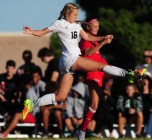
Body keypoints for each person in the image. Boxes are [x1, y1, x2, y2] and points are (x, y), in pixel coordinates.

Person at [22, 3, 137, 140]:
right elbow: (42, 32)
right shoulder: (59, 23)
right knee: (100, 66)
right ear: (67, 14)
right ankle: (129, 74)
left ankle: (31, 104)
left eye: (77, 15)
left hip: (66, 64)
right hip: (70, 59)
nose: (76, 17)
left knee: (60, 97)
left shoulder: (76, 25)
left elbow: (88, 37)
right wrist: (31, 32)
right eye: (74, 15)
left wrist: (103, 38)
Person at [78, 17, 113, 137]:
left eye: (98, 27)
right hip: (92, 73)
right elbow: (88, 54)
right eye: (95, 27)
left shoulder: (95, 41)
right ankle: (82, 131)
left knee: (95, 106)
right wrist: (103, 42)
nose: (97, 29)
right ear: (87, 27)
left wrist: (110, 68)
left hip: (99, 72)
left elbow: (99, 59)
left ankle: (82, 131)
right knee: (94, 105)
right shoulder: (85, 40)